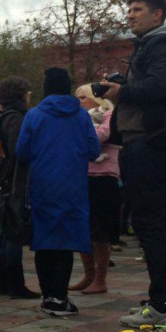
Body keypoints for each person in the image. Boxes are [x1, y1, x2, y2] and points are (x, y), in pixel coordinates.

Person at [101, 0, 166, 328]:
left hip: (150, 141)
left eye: (137, 9)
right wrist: (124, 84)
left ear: (158, 15)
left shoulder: (162, 44)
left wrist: (122, 92)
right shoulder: (156, 45)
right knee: (161, 222)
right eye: (129, 10)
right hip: (152, 141)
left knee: (150, 223)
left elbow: (160, 87)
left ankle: (163, 304)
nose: (130, 15)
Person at [16, 68, 100, 316]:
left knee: (45, 240)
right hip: (73, 186)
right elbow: (94, 151)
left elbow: (21, 151)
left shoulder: (34, 115)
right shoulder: (82, 116)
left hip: (43, 185)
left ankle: (49, 296)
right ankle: (61, 296)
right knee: (66, 241)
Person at [0, 76, 39, 298]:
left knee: (0, 233)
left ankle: (3, 282)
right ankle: (15, 283)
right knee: (11, 233)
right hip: (10, 181)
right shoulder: (16, 118)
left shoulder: (0, 118)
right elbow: (18, 151)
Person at [70, 84, 120, 295]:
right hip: (83, 175)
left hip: (104, 176)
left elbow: (101, 135)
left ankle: (101, 278)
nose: (79, 102)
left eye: (83, 97)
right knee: (84, 228)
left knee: (100, 229)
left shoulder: (110, 114)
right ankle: (88, 274)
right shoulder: (79, 118)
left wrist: (83, 134)